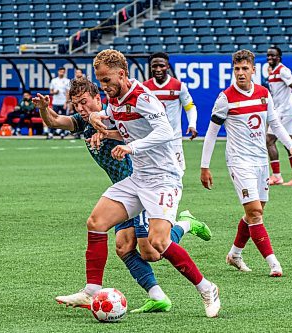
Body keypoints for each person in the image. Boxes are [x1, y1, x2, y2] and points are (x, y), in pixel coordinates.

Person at [56, 50, 221, 318]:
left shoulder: (142, 97)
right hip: (138, 178)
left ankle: (207, 288)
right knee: (96, 223)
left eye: (107, 80)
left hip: (163, 179)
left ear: (122, 74)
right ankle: (91, 290)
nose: (105, 87)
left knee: (156, 244)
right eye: (101, 81)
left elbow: (165, 132)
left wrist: (130, 146)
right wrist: (103, 129)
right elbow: (121, 126)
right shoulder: (115, 100)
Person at [200, 50, 292, 277]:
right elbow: (211, 133)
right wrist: (204, 166)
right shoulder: (225, 98)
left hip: (260, 161)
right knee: (255, 212)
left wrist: (290, 146)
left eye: (245, 68)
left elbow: (274, 124)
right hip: (239, 161)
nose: (241, 73)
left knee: (254, 213)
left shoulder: (264, 93)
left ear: (254, 70)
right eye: (237, 69)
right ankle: (273, 263)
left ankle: (234, 254)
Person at [143, 52, 198, 170]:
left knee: (177, 170)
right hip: (153, 137)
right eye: (154, 66)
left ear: (167, 66)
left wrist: (192, 124)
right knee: (153, 171)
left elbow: (190, 107)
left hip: (174, 137)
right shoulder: (144, 88)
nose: (158, 69)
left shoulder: (179, 86)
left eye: (161, 66)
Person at [266, 46, 292, 186]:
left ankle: (277, 176)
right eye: (268, 56)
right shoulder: (271, 72)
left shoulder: (283, 70)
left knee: (269, 140)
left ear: (279, 57)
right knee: (289, 143)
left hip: (285, 110)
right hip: (282, 109)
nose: (270, 58)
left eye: (273, 56)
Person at [48, 67, 70, 139]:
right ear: (58, 72)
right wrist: (54, 92)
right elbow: (50, 91)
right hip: (55, 102)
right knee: (53, 117)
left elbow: (68, 92)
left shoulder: (67, 81)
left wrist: (66, 102)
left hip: (63, 102)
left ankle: (62, 133)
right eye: (60, 71)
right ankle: (51, 133)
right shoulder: (54, 81)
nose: (61, 73)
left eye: (63, 72)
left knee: (64, 118)